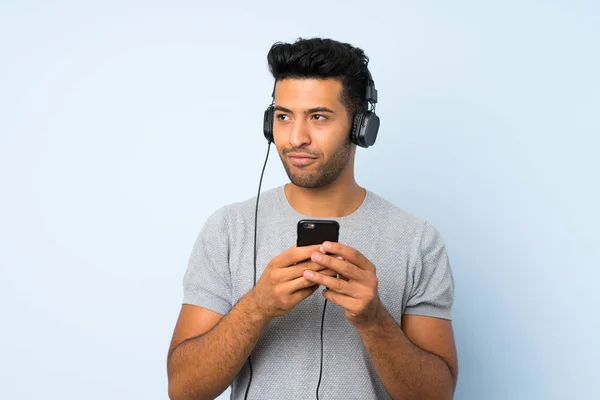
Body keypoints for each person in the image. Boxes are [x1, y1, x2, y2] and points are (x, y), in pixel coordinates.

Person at [166, 37, 458, 400]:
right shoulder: (228, 229)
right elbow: (183, 390)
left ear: (360, 126)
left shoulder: (418, 241)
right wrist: (257, 307)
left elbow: (437, 395)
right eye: (284, 117)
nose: (295, 138)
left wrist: (373, 319)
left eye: (318, 117)